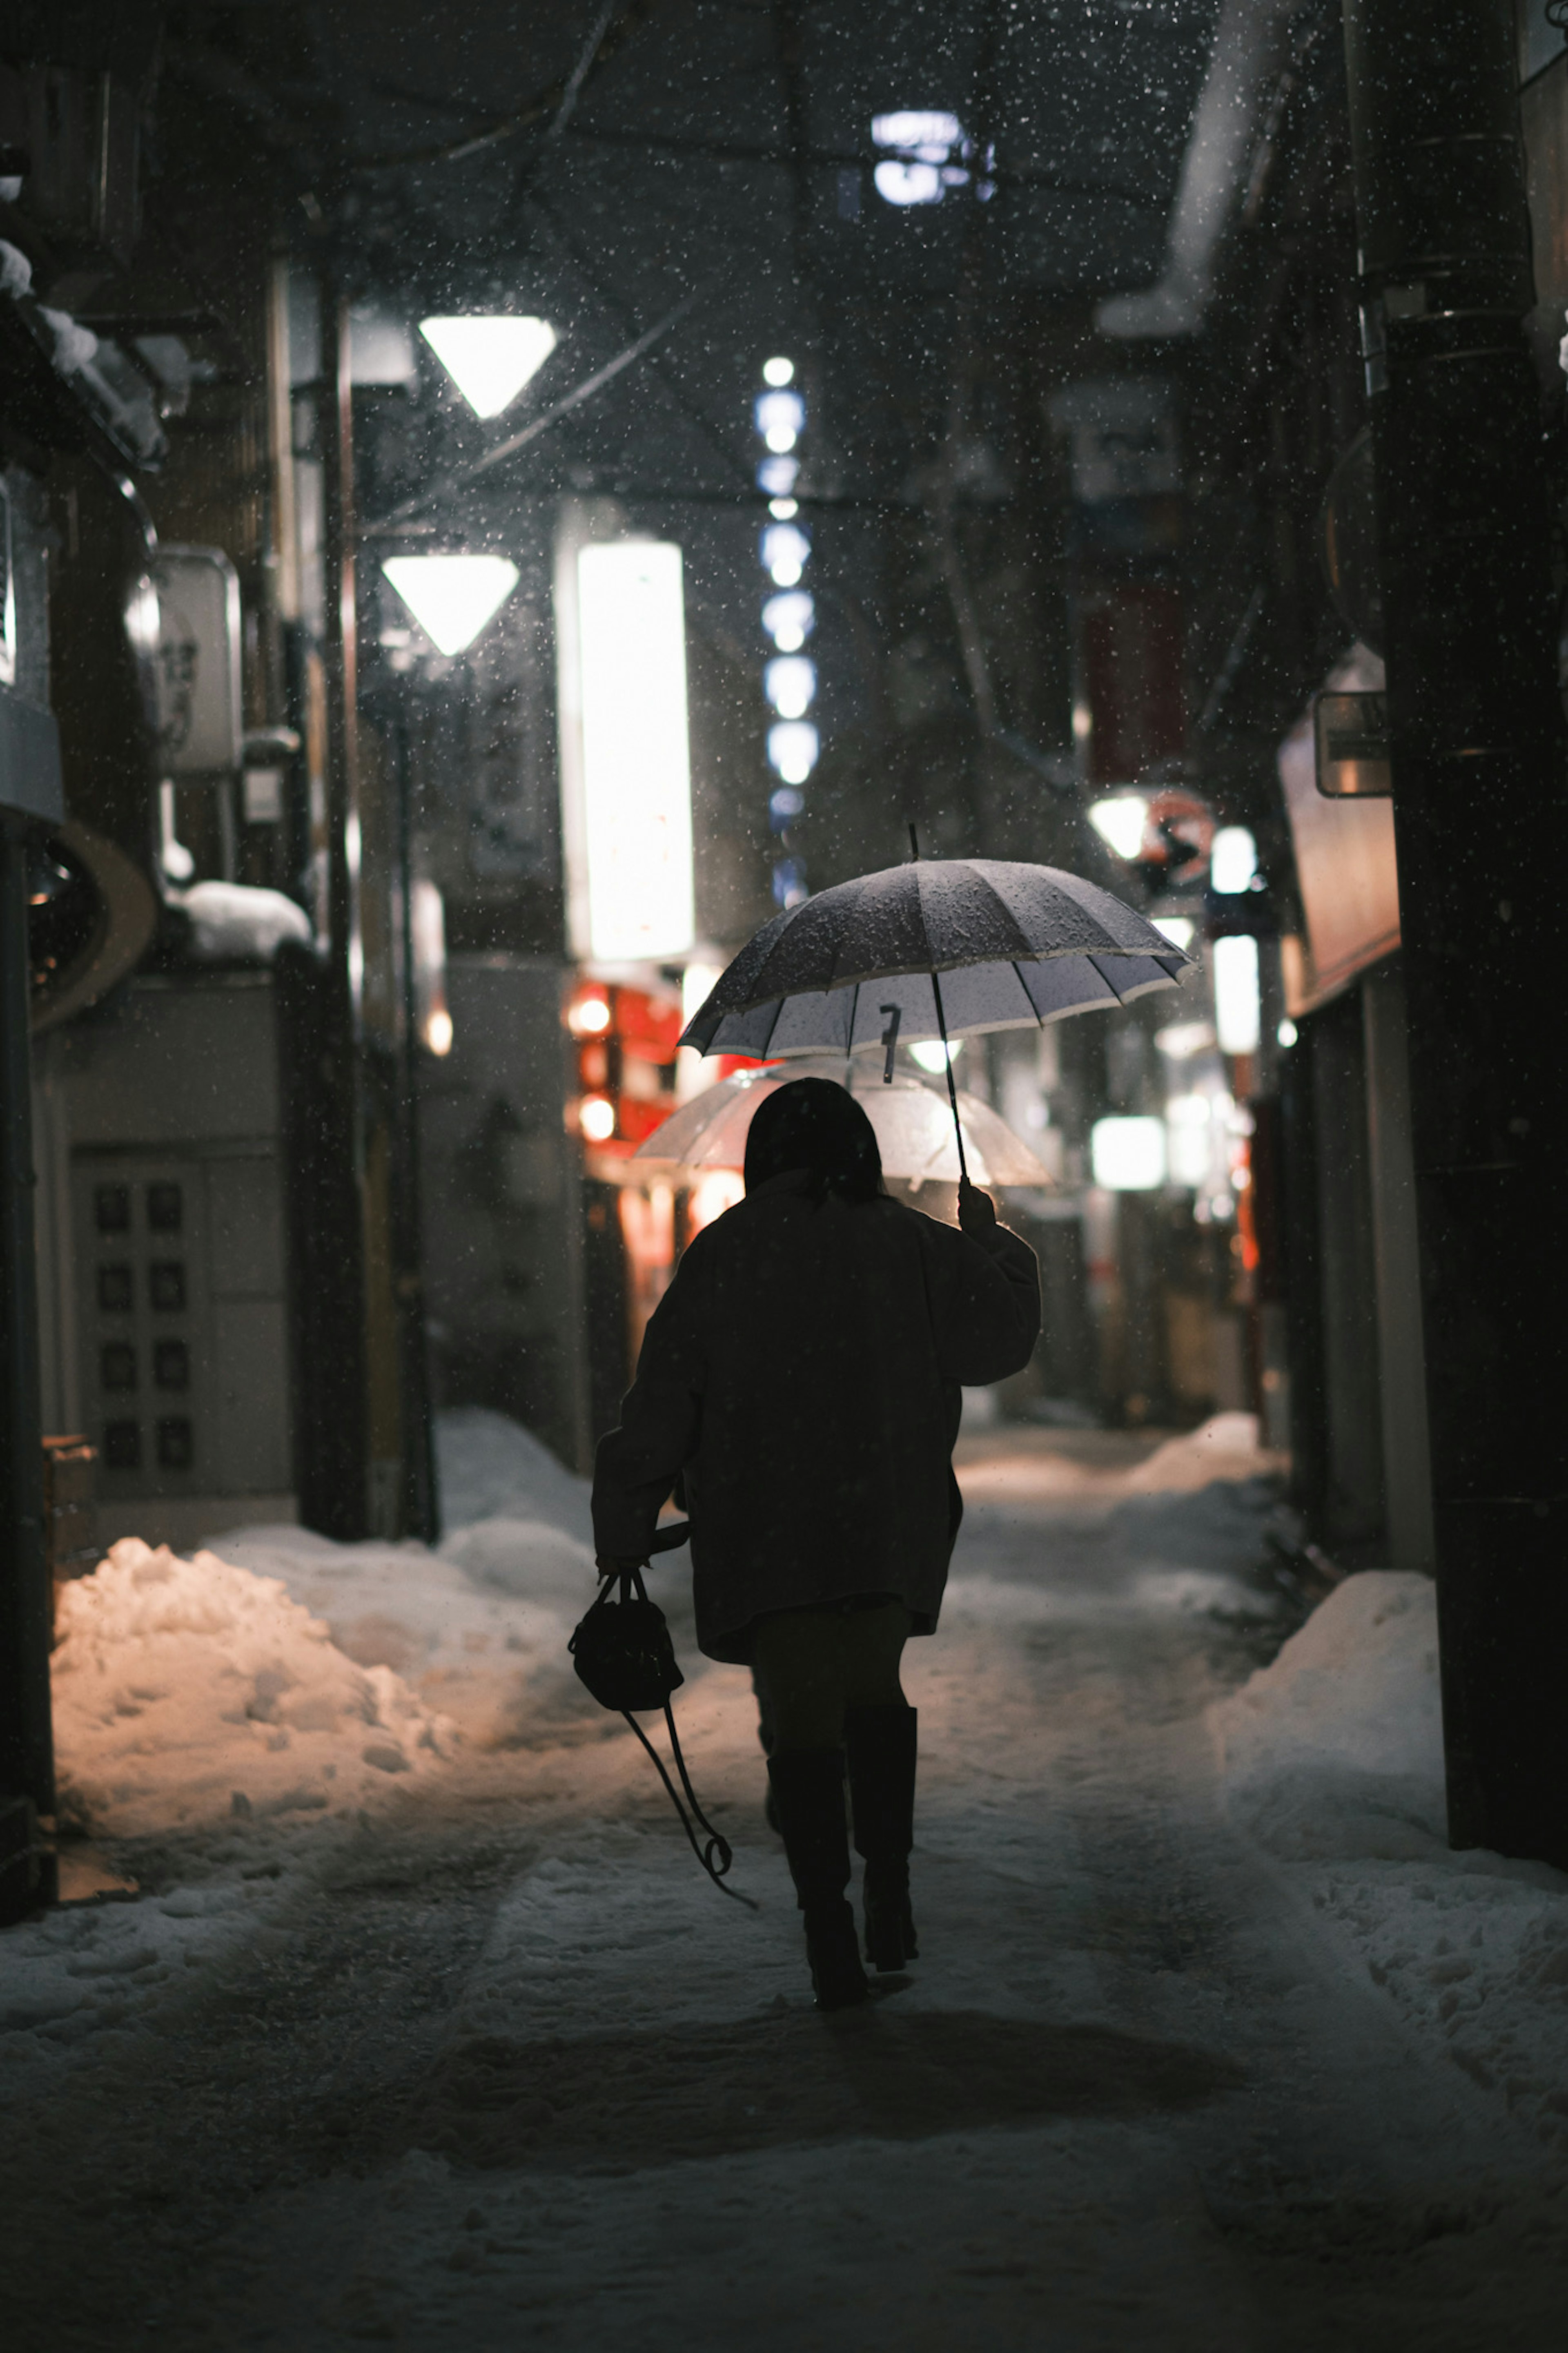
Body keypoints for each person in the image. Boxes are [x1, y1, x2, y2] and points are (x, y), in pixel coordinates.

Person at [591, 1075, 1040, 2010]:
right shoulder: (908, 1243)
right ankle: (890, 1884)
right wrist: (989, 1244)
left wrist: (626, 1515)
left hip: (766, 1535)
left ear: (763, 1157)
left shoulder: (725, 1254)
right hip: (883, 1519)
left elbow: (665, 1398)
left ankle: (826, 1923)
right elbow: (995, 1341)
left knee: (800, 1725)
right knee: (875, 1697)